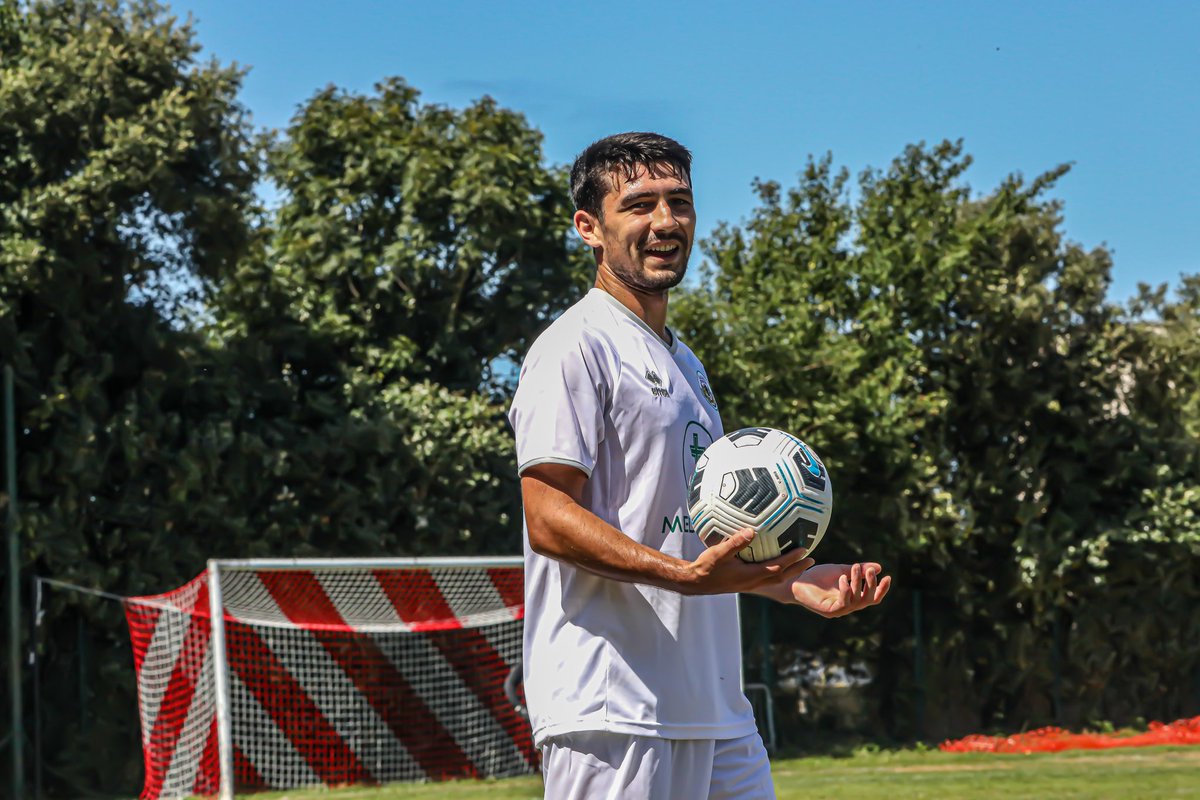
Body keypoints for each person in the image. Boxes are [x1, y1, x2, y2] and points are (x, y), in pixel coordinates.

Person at [507, 132, 892, 799]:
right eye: (640, 205)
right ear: (589, 227)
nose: (666, 221)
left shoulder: (686, 364)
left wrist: (794, 580)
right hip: (614, 708)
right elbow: (547, 518)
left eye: (679, 202)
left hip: (715, 711)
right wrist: (681, 577)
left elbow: (690, 540)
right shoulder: (574, 346)